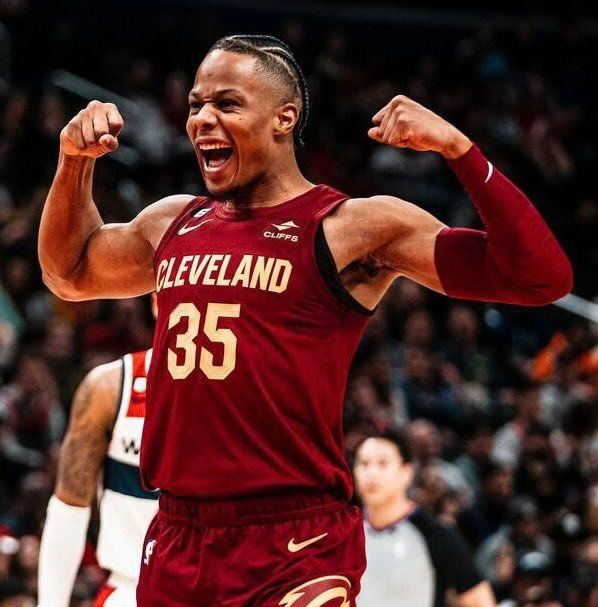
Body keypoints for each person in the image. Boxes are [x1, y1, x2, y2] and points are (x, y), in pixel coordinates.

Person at [38, 34, 572, 606]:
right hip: (177, 532)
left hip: (294, 540)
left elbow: (540, 278)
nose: (202, 119)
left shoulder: (351, 227)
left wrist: (459, 149)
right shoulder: (172, 222)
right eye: (196, 105)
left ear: (284, 118)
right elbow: (68, 271)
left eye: (227, 103)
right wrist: (74, 162)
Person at [37, 296, 158, 606]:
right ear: (158, 301)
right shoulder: (111, 386)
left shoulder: (252, 391)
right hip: (132, 590)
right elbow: (68, 510)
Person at [353, 428, 496, 607]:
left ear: (406, 472)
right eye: (364, 463)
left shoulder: (434, 534)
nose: (372, 473)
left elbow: (481, 601)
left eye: (383, 463)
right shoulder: (343, 534)